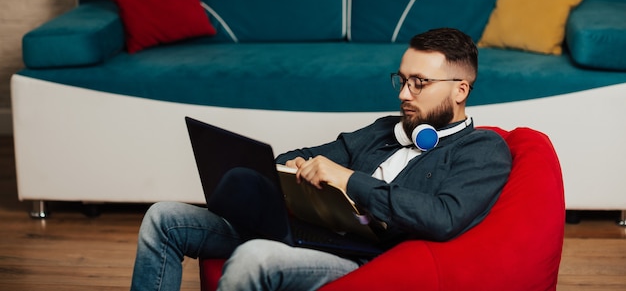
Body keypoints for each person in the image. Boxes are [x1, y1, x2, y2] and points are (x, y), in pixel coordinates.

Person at [130, 28, 512, 291]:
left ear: (461, 89)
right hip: (309, 233)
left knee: (254, 257)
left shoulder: (481, 150)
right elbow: (302, 156)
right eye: (402, 79)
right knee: (164, 216)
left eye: (420, 83)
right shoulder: (385, 129)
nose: (404, 95)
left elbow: (443, 218)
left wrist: (347, 180)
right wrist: (294, 167)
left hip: (364, 259)